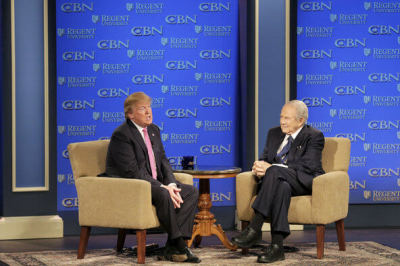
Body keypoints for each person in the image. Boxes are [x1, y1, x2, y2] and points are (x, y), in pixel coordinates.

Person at [105, 92, 200, 263]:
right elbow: (132, 172)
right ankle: (180, 245)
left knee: (191, 192)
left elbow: (163, 160)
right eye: (142, 108)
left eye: (149, 107)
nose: (149, 112)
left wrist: (170, 183)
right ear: (130, 114)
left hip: (155, 183)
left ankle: (171, 246)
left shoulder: (154, 130)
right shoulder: (122, 135)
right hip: (133, 186)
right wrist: (163, 187)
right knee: (164, 194)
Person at [232, 100, 325, 263]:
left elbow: (308, 166)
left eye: (287, 118)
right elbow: (265, 159)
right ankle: (277, 247)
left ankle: (255, 228)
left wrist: (273, 168)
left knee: (275, 171)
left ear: (301, 120)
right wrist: (259, 167)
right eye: (281, 116)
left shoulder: (313, 136)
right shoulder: (274, 133)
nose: (282, 121)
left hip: (303, 181)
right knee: (282, 186)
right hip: (279, 182)